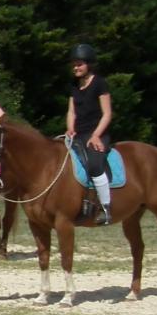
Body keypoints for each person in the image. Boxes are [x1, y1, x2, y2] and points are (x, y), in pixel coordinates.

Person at [65, 43, 114, 226]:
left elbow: (107, 113)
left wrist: (96, 135)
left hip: (97, 133)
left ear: (89, 65)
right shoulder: (74, 85)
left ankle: (105, 208)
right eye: (74, 64)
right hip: (78, 135)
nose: (76, 67)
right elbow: (72, 111)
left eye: (79, 64)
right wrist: (70, 128)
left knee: (94, 164)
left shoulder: (100, 83)